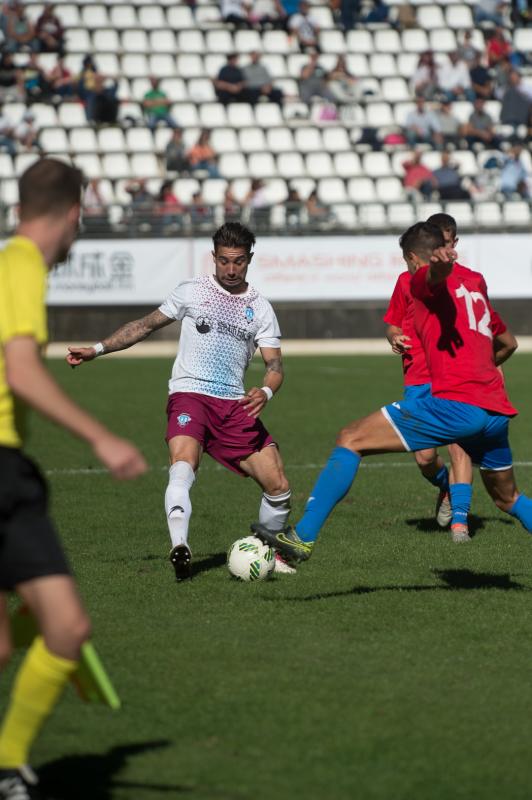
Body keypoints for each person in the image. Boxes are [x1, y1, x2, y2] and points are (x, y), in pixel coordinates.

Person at [255, 220, 531, 563]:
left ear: (415, 259)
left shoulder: (419, 279)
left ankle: (302, 537)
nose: (408, 268)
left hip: (457, 404)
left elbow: (430, 279)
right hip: (496, 410)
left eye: (407, 261)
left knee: (350, 437)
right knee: (509, 500)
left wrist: (437, 268)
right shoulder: (475, 283)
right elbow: (508, 342)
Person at [0, 158, 146, 800]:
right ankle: (6, 765)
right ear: (73, 213)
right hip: (2, 470)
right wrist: (102, 437)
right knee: (67, 628)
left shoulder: (6, 262)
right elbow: (23, 374)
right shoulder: (24, 266)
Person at [66, 222, 295, 580]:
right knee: (184, 462)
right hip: (190, 394)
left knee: (278, 486)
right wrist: (97, 349)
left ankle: (264, 548)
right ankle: (180, 546)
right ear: (213, 258)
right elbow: (143, 326)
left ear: (249, 260)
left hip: (234, 404)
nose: (230, 269)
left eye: (238, 262)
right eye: (223, 261)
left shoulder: (260, 308)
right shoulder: (192, 291)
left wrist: (265, 390)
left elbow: (275, 364)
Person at [385, 211, 516, 541]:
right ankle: (446, 489)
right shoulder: (408, 280)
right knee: (425, 457)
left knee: (461, 447)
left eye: (447, 243)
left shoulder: (469, 281)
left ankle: (460, 522)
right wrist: (394, 336)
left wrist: (485, 364)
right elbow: (393, 321)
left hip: (454, 378)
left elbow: (494, 334)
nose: (443, 250)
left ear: (453, 244)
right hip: (418, 374)